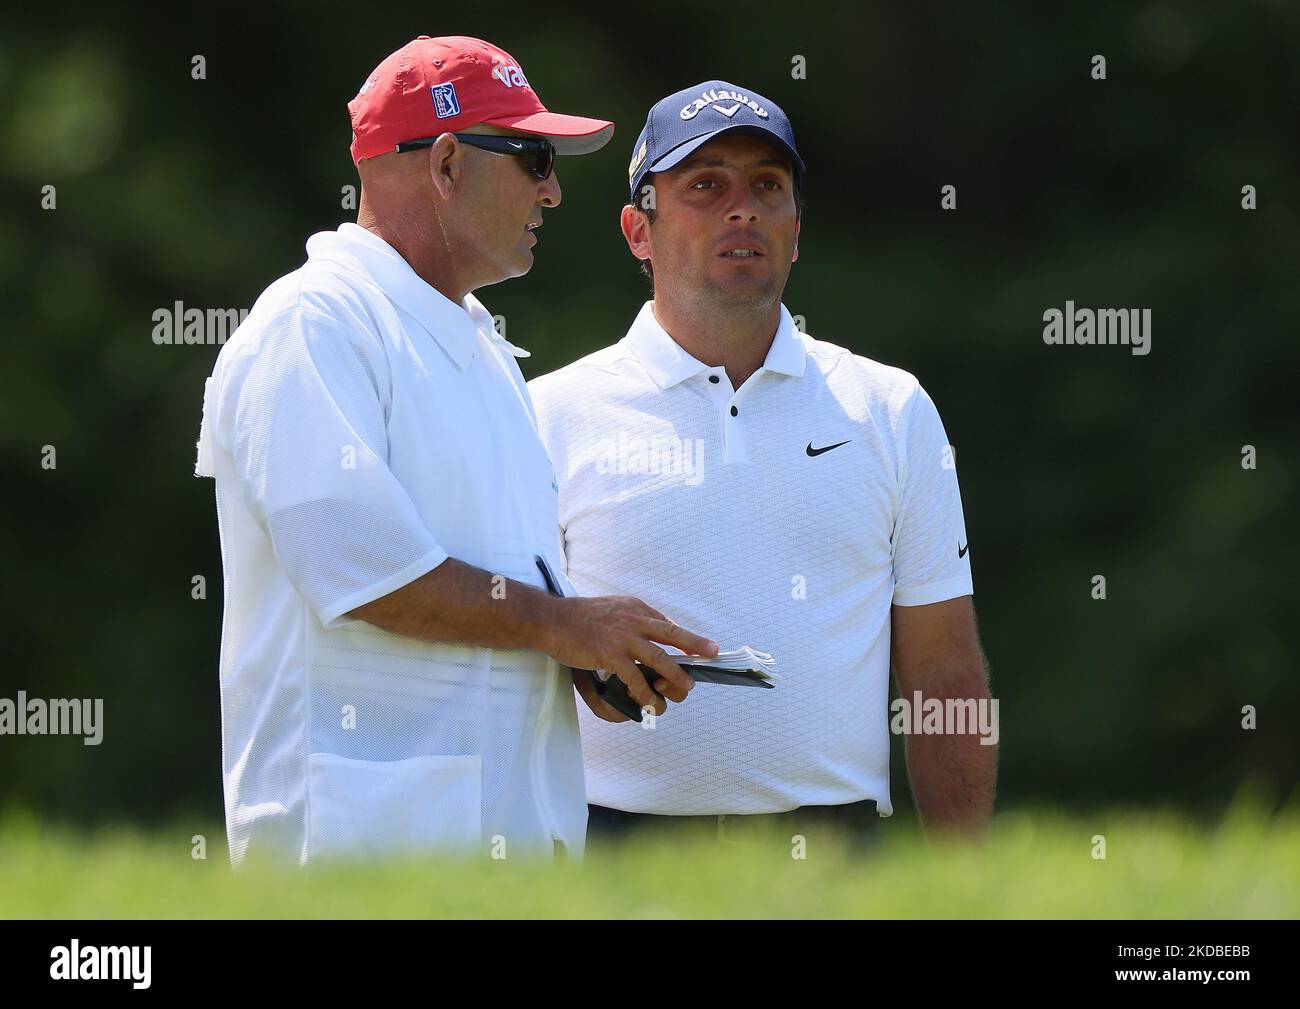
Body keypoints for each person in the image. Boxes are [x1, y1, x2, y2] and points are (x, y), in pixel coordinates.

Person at [193, 38, 715, 868]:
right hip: (358, 858)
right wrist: (564, 624)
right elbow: (368, 576)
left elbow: (492, 585)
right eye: (534, 156)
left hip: (492, 855)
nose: (551, 190)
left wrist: (585, 652)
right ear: (444, 164)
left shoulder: (477, 344)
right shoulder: (314, 325)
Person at [529, 81, 995, 852]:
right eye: (705, 185)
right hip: (606, 853)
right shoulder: (547, 413)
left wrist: (966, 880)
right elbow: (506, 631)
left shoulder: (889, 407)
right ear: (637, 232)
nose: (741, 208)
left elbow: (945, 670)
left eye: (767, 187)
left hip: (837, 857)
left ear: (796, 231)